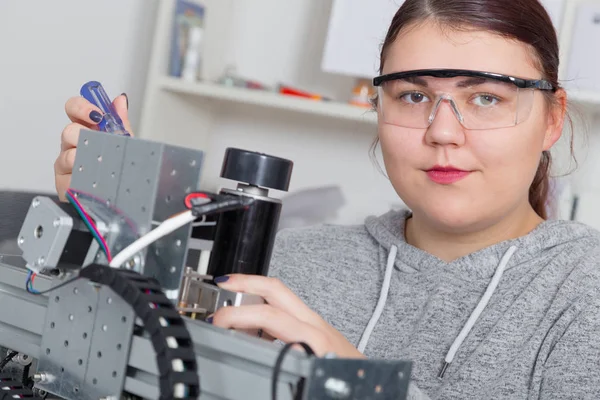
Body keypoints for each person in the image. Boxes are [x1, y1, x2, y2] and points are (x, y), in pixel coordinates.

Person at [55, 0, 600, 398]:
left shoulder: (584, 288)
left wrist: (352, 383)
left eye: (486, 98)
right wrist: (106, 229)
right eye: (414, 96)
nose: (444, 133)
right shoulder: (287, 262)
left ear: (552, 118)